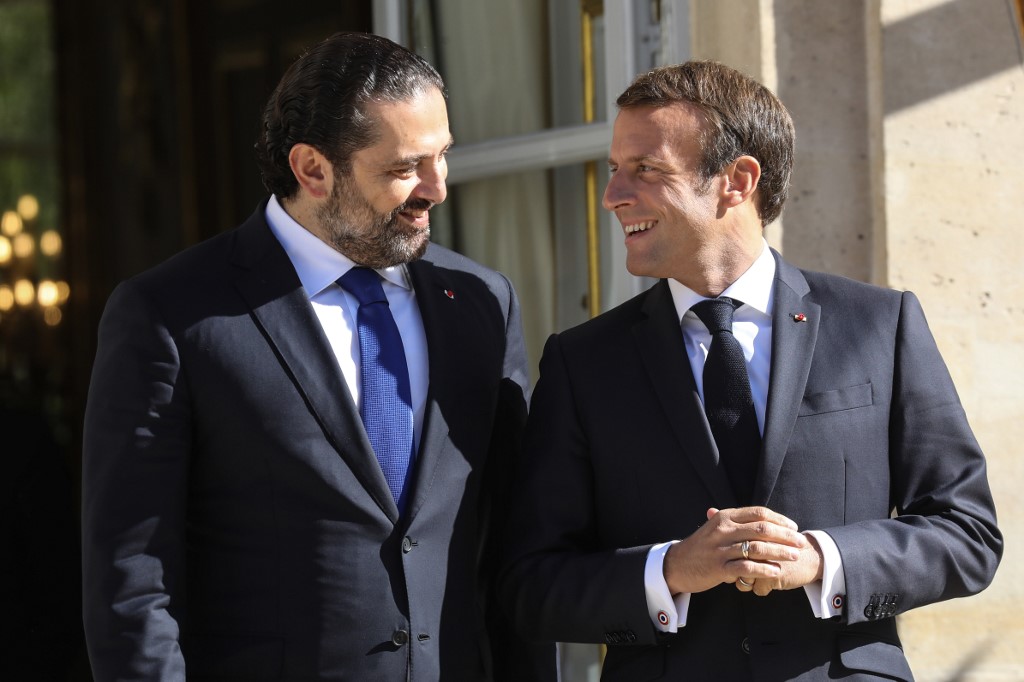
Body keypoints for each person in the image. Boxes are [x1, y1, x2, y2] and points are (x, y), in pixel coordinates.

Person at [500, 61, 1002, 681]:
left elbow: (968, 533)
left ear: (736, 180)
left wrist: (823, 559)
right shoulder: (583, 363)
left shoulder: (879, 325)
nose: (613, 195)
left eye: (646, 170)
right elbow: (529, 584)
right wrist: (670, 571)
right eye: (614, 170)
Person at [82, 31, 553, 681]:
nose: (437, 188)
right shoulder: (172, 315)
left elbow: (512, 547)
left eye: (443, 156)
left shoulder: (478, 302)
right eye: (404, 167)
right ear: (312, 169)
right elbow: (134, 583)